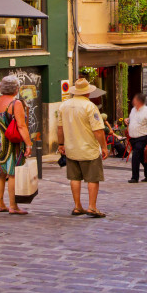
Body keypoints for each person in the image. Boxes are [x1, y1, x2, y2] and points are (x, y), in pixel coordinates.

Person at [57, 78, 109, 218]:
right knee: (93, 178)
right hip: (88, 148)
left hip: (71, 148)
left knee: (75, 178)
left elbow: (60, 128)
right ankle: (92, 207)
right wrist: (104, 147)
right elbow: (98, 130)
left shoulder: (64, 106)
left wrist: (61, 144)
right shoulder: (90, 107)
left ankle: (77, 206)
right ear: (87, 93)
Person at [0, 75, 33, 215]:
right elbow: (21, 126)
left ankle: (0, 204)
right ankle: (13, 206)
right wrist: (28, 144)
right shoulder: (16, 103)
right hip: (10, 141)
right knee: (12, 173)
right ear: (16, 89)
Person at [127, 93, 147, 183]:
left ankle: (135, 177)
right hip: (133, 138)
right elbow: (132, 121)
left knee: (135, 155)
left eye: (134, 99)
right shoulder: (133, 110)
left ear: (139, 101)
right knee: (141, 156)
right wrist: (127, 121)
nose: (133, 101)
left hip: (143, 136)